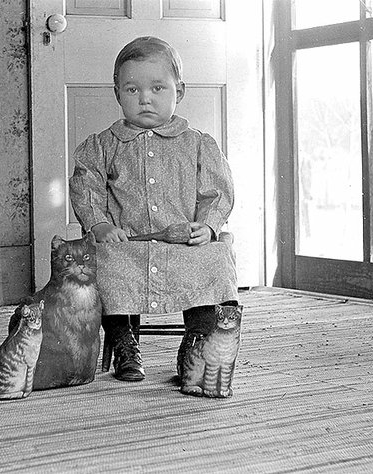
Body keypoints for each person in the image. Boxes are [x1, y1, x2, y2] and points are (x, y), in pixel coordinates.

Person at [68, 36, 239, 382]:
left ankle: (197, 341)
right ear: (117, 94)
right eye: (132, 90)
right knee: (107, 264)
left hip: (182, 246)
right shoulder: (102, 146)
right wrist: (100, 225)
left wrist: (207, 227)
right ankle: (124, 342)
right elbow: (86, 188)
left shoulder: (198, 144)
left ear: (180, 90)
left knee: (215, 260)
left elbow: (217, 192)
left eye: (158, 88)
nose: (145, 98)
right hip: (127, 245)